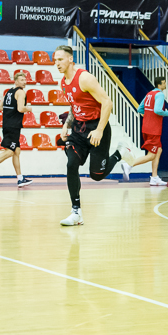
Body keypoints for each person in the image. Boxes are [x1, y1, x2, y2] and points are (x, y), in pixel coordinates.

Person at [54, 45, 128, 226]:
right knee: (71, 164)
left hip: (97, 128)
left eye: (60, 59)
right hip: (79, 130)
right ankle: (76, 212)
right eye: (55, 60)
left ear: (70, 59)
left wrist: (100, 130)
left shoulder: (85, 78)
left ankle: (119, 154)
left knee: (97, 175)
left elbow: (107, 102)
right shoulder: (63, 82)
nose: (57, 63)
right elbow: (74, 106)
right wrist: (66, 125)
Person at [0, 71, 34, 187]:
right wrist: (29, 109)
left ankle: (20, 178)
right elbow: (20, 108)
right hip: (14, 126)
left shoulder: (9, 91)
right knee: (10, 151)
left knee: (16, 151)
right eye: (22, 80)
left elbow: (0, 107)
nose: (25, 82)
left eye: (25, 80)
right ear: (16, 81)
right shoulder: (20, 92)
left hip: (7, 124)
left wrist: (10, 111)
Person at [120, 76, 168, 186]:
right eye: (164, 82)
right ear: (160, 84)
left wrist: (148, 115)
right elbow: (158, 110)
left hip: (146, 127)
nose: (165, 84)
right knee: (151, 155)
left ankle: (154, 177)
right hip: (154, 129)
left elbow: (140, 109)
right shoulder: (160, 94)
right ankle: (129, 165)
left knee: (159, 150)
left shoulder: (149, 94)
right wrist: (167, 113)